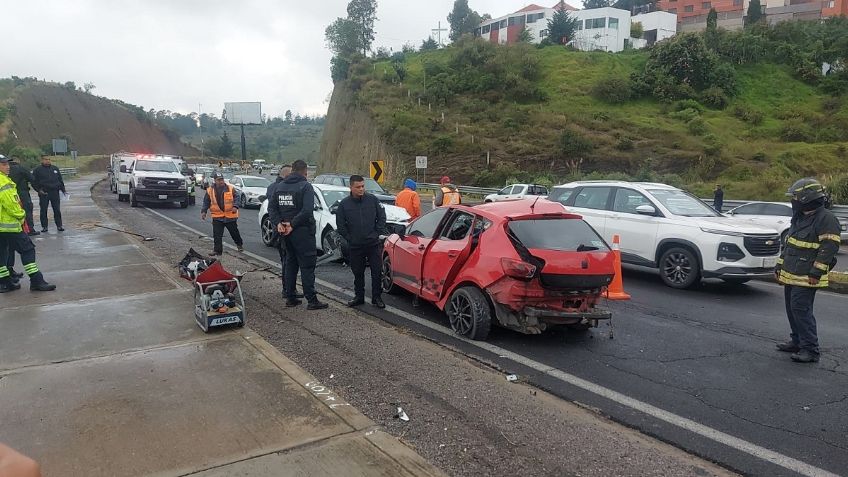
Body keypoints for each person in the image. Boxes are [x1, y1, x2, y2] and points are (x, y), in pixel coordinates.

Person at [774, 178, 841, 363]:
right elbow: (789, 245)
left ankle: (810, 350)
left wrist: (816, 272)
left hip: (807, 275)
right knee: (791, 309)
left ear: (806, 197)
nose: (793, 200)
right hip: (791, 271)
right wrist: (779, 265)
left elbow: (829, 248)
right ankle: (797, 341)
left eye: (795, 196)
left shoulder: (826, 219)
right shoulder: (799, 216)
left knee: (801, 309)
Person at [267, 160, 327, 310]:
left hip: (285, 233)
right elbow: (307, 210)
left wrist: (280, 223)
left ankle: (290, 297)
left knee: (290, 264)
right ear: (305, 172)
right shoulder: (305, 186)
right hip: (302, 232)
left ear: (292, 170)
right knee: (307, 266)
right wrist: (292, 225)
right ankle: (312, 300)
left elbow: (272, 208)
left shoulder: (279, 186)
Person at [0, 155, 56, 292]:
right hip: (10, 225)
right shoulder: (3, 182)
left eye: (7, 164)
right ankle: (36, 280)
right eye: (4, 164)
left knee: (2, 253)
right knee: (28, 249)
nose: (8, 167)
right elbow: (11, 205)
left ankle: (4, 282)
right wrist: (22, 215)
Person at [336, 174, 388, 309]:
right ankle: (359, 296)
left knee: (376, 272)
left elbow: (382, 217)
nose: (361, 189)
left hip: (372, 243)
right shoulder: (344, 204)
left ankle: (376, 297)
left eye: (363, 186)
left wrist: (377, 232)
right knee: (357, 272)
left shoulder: (373, 200)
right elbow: (340, 224)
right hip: (355, 245)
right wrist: (350, 238)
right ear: (351, 187)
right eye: (358, 187)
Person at [201, 172, 244, 256]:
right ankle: (217, 250)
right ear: (215, 180)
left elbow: (237, 197)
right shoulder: (210, 190)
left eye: (222, 180)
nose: (221, 181)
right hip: (217, 216)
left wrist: (235, 206)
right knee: (217, 235)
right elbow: (206, 202)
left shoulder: (230, 188)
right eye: (219, 180)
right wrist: (204, 211)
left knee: (234, 233)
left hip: (230, 215)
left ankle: (239, 244)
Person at [31, 155, 65, 233]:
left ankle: (59, 225)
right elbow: (33, 181)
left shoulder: (55, 168)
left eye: (49, 159)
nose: (48, 161)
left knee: (57, 209)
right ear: (42, 160)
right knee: (43, 210)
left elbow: (60, 179)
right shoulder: (37, 170)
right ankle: (44, 227)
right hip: (44, 192)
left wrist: (63, 189)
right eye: (46, 159)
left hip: (55, 192)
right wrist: (38, 190)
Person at [8, 157, 38, 236]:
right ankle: (30, 229)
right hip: (22, 192)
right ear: (17, 161)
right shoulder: (21, 168)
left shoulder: (5, 170)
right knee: (27, 210)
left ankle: (18, 229)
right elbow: (32, 178)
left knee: (13, 211)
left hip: (10, 194)